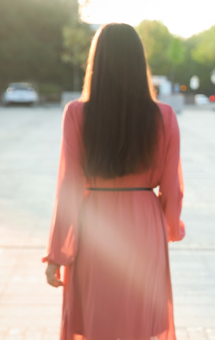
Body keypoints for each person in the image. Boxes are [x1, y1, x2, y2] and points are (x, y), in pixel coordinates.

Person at [44, 23, 185, 340]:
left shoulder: (76, 114)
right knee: (139, 323)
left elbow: (67, 188)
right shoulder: (164, 117)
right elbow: (172, 189)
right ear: (139, 64)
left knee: (97, 322)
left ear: (98, 62)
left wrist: (56, 253)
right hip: (144, 227)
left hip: (95, 226)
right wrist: (173, 228)